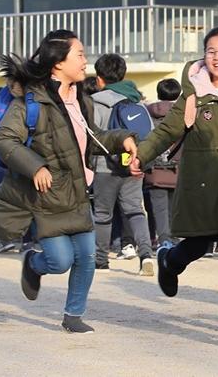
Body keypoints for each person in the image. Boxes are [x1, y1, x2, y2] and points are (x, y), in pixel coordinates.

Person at [0, 29, 138, 333]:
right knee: (60, 260)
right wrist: (36, 166)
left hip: (77, 192)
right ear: (57, 63)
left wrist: (123, 139)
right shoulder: (30, 102)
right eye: (79, 55)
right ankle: (33, 264)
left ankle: (73, 315)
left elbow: (91, 139)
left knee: (88, 256)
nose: (85, 61)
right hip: (47, 194)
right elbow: (4, 139)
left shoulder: (81, 100)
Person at [129, 26, 218, 333]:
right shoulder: (194, 94)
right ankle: (171, 261)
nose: (217, 57)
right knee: (200, 242)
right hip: (206, 181)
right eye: (211, 51)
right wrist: (142, 155)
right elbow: (166, 131)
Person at [90, 53, 154, 273]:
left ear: (99, 79)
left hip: (103, 168)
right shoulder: (136, 102)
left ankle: (100, 260)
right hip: (132, 166)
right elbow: (150, 137)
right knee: (136, 211)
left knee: (102, 215)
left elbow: (91, 137)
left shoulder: (94, 103)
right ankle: (145, 254)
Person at [144, 78, 181, 247]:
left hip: (154, 169)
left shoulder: (146, 112)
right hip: (177, 168)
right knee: (174, 208)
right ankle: (174, 238)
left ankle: (164, 240)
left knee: (158, 209)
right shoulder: (182, 113)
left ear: (158, 93)